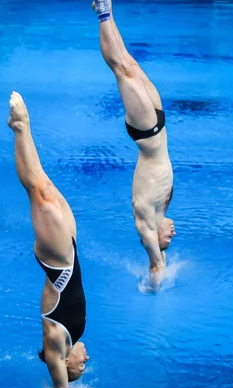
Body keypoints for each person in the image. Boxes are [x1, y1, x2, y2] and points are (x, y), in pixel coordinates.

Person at [7, 91, 89, 388]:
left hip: (59, 264)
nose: (86, 360)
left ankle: (20, 127)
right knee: (45, 185)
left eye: (80, 367)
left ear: (65, 365)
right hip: (69, 252)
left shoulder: (56, 345)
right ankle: (21, 127)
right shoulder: (74, 335)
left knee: (37, 191)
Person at [93, 0, 176, 290]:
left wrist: (155, 285)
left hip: (145, 132)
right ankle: (105, 11)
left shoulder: (146, 225)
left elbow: (155, 265)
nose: (174, 235)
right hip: (158, 125)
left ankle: (103, 15)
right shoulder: (162, 210)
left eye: (167, 241)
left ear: (155, 240)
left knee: (121, 70)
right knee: (130, 63)